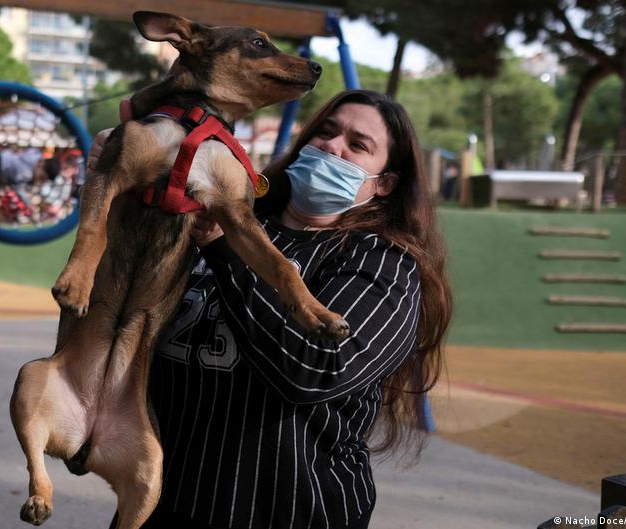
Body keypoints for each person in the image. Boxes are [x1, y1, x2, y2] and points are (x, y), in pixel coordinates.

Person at [90, 90, 452, 529]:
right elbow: (117, 303)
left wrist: (226, 251)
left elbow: (317, 369)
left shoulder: (383, 264)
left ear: (385, 184)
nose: (332, 146)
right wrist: (121, 183)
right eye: (326, 131)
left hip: (285, 509)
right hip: (159, 496)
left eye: (357, 145)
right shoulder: (223, 219)